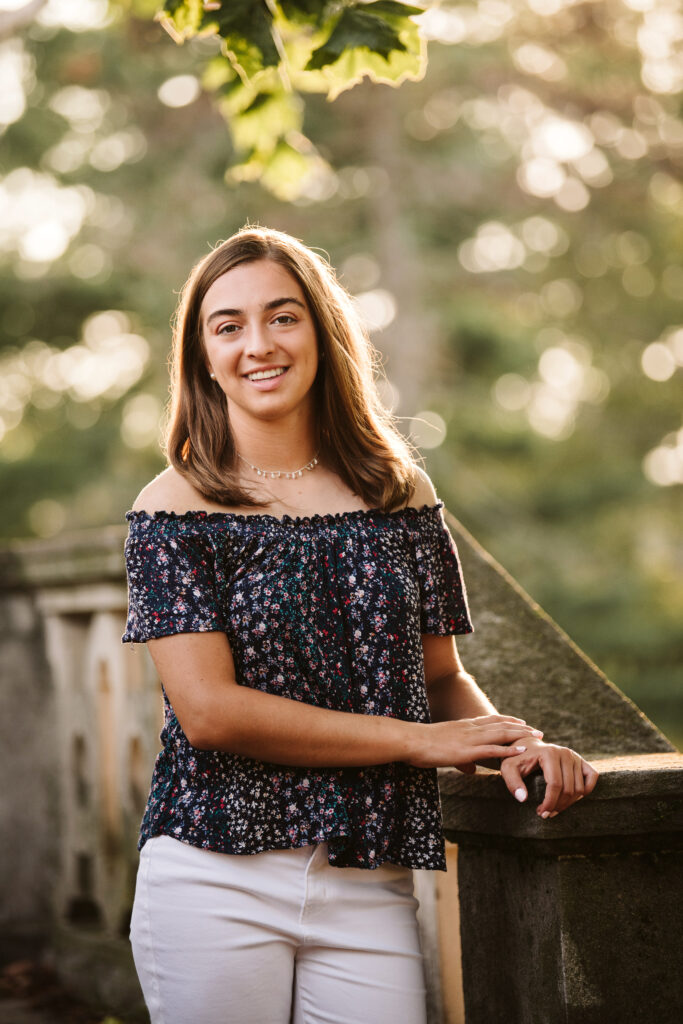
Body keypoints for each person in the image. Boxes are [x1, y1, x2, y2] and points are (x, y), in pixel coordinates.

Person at [122, 226, 598, 1024]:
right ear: (203, 357)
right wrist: (417, 742)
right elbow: (208, 713)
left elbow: (439, 678)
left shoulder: (396, 491)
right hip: (212, 878)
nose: (258, 345)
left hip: (366, 879)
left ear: (321, 331)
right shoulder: (172, 507)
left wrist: (515, 746)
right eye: (227, 326)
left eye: (282, 316)